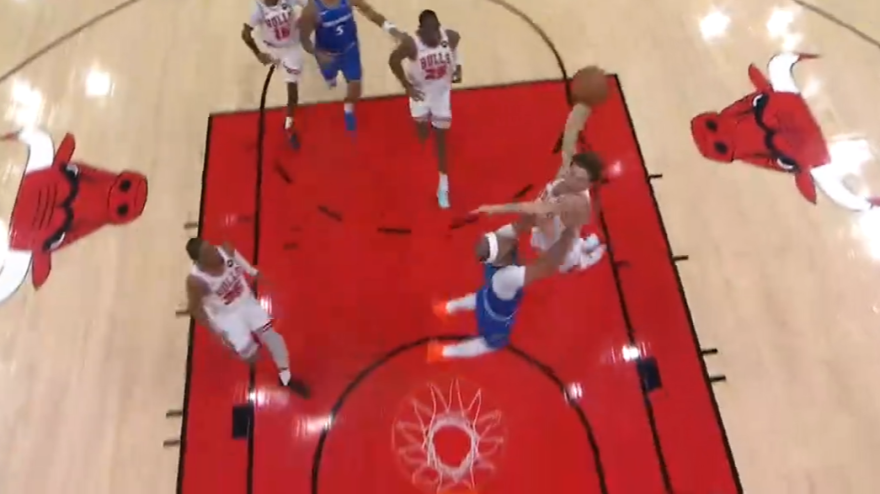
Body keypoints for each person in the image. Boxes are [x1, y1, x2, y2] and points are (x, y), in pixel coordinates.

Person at [427, 219, 582, 361]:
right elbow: (543, 269)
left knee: (480, 298)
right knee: (489, 344)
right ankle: (442, 353)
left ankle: (446, 308)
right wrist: (566, 248)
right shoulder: (509, 276)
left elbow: (521, 224)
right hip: (496, 317)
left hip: (489, 296)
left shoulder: (495, 245)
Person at [185, 238, 310, 397]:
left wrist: (263, 279)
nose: (214, 252)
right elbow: (194, 308)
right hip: (227, 317)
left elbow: (247, 268)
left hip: (246, 302)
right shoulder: (196, 282)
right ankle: (246, 351)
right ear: (200, 261)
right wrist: (215, 331)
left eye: (211, 247)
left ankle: (286, 378)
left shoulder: (226, 249)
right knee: (252, 356)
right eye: (207, 253)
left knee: (274, 340)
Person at [472, 150, 607, 273]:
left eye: (579, 179)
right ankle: (586, 244)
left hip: (559, 247)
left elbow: (535, 208)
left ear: (589, 184)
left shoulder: (574, 201)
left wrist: (496, 209)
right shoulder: (565, 179)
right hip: (552, 233)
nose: (572, 180)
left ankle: (591, 256)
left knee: (570, 264)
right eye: (572, 173)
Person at [388, 10, 461, 209]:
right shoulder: (412, 45)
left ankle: (443, 187)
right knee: (421, 130)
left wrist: (458, 65)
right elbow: (393, 60)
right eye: (430, 32)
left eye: (437, 30)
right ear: (421, 31)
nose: (435, 35)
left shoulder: (449, 36)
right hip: (420, 95)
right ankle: (422, 127)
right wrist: (406, 86)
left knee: (440, 141)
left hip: (441, 96)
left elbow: (456, 45)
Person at [298, 0, 403, 131]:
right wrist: (318, 55)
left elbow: (368, 11)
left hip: (350, 51)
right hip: (328, 56)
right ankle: (331, 80)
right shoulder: (311, 10)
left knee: (356, 86)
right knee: (330, 77)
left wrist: (391, 29)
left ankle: (348, 107)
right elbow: (304, 40)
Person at [242, 0, 307, 148]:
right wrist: (258, 54)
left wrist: (305, 20)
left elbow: (312, 6)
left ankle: (289, 124)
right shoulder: (258, 9)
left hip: (291, 48)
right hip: (272, 48)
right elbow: (245, 34)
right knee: (292, 89)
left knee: (292, 91)